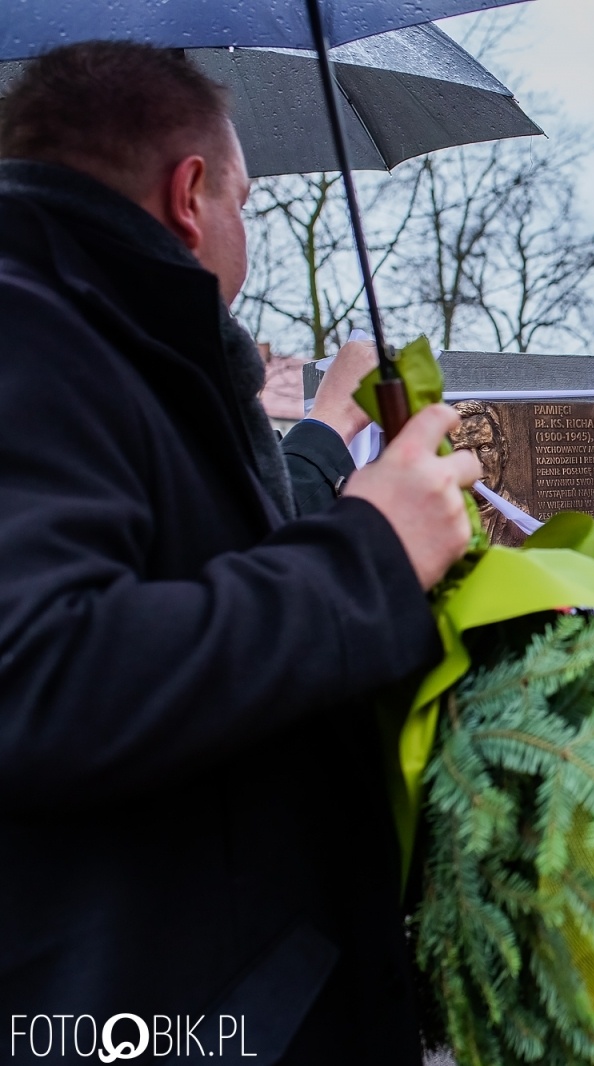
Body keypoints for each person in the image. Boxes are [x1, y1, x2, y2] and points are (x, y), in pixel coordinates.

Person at [0, 43, 480, 1061]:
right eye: (247, 200)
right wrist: (370, 554)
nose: (246, 230)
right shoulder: (27, 336)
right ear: (190, 194)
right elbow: (39, 673)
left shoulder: (115, 340)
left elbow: (185, 590)